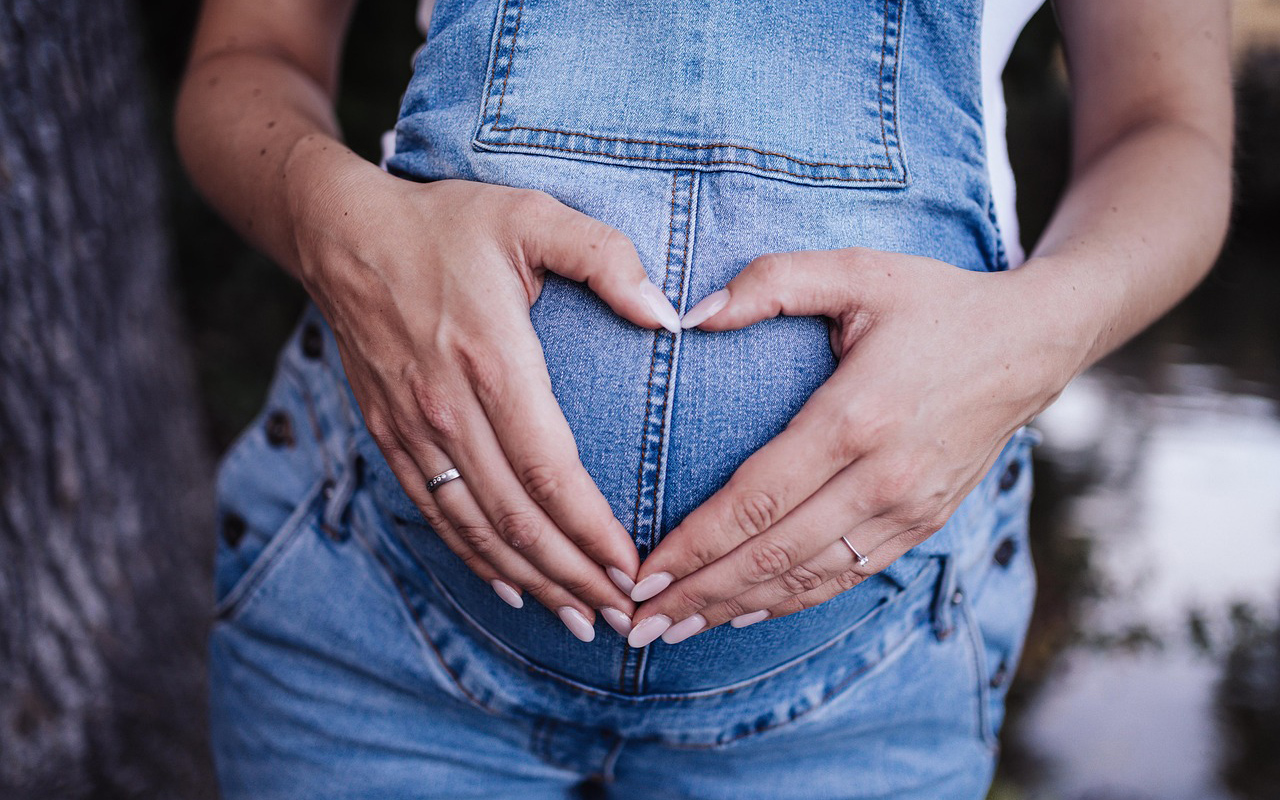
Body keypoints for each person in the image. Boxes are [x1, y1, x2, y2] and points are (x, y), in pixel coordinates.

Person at [175, 0, 1232, 797]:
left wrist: (1031, 338)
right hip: (374, 626)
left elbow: (1165, 129)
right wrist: (339, 227)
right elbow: (244, 63)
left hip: (863, 685)